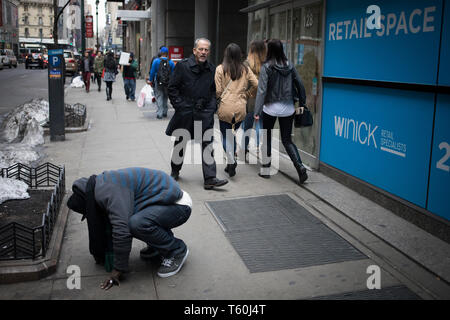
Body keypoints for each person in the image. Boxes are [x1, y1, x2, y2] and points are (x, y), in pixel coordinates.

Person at [66, 168, 192, 290]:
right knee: (132, 216)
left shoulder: (107, 191)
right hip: (163, 199)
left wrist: (118, 269)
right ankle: (158, 247)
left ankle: (176, 250)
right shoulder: (99, 184)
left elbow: (122, 230)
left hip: (179, 205)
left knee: (136, 223)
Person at [166, 38, 228, 190]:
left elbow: (214, 91)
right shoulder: (182, 66)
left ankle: (210, 178)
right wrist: (180, 106)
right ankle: (175, 170)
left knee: (207, 144)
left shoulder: (211, 69)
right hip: (185, 111)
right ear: (194, 50)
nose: (203, 52)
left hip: (204, 112)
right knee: (181, 142)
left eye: (206, 50)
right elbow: (172, 88)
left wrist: (211, 107)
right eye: (200, 49)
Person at [254, 39, 308, 184]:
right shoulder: (289, 65)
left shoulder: (267, 67)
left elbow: (262, 90)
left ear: (269, 50)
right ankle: (300, 167)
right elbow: (300, 84)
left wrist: (257, 110)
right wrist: (302, 102)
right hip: (288, 109)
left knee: (267, 137)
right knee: (286, 139)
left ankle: (266, 169)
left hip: (270, 108)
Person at [215, 43, 258, 177]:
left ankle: (231, 161)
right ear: (240, 54)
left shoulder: (220, 69)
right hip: (240, 107)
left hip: (225, 106)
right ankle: (230, 162)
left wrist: (222, 97)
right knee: (232, 135)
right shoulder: (245, 69)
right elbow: (256, 84)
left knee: (225, 136)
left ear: (226, 54)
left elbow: (218, 91)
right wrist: (247, 94)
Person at [241, 40, 267, 162]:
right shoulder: (267, 64)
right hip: (265, 100)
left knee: (247, 127)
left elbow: (243, 84)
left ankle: (244, 150)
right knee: (264, 126)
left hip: (250, 100)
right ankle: (263, 151)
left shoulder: (246, 64)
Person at [148, 47, 175, 119]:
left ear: (160, 52)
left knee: (159, 96)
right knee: (165, 97)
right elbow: (173, 74)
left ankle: (159, 113)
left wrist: (150, 80)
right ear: (167, 53)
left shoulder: (156, 61)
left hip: (158, 81)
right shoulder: (171, 62)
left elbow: (152, 72)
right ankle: (165, 112)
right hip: (168, 83)